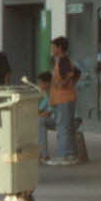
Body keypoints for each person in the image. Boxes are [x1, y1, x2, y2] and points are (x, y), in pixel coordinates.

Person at [46, 36, 80, 165]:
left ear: (59, 48)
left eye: (53, 47)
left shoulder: (63, 61)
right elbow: (77, 72)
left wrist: (63, 84)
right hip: (64, 99)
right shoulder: (63, 61)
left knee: (63, 128)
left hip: (64, 99)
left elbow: (70, 75)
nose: (52, 49)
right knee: (66, 127)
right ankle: (71, 155)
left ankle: (65, 155)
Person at [35, 71, 55, 161]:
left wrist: (38, 114)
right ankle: (41, 153)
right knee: (37, 120)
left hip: (69, 120)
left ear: (48, 83)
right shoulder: (47, 94)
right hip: (57, 120)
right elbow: (39, 110)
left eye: (40, 83)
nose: (39, 85)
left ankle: (44, 154)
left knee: (40, 121)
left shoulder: (54, 92)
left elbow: (48, 113)